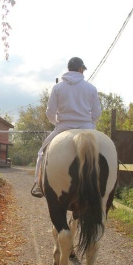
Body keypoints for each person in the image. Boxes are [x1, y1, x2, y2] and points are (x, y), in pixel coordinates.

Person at [31, 57, 102, 198]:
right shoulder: (91, 88)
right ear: (81, 69)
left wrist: (57, 122)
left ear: (69, 69)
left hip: (63, 127)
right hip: (86, 128)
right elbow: (97, 112)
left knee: (42, 152)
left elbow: (50, 112)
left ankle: (38, 184)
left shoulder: (58, 88)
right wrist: (90, 124)